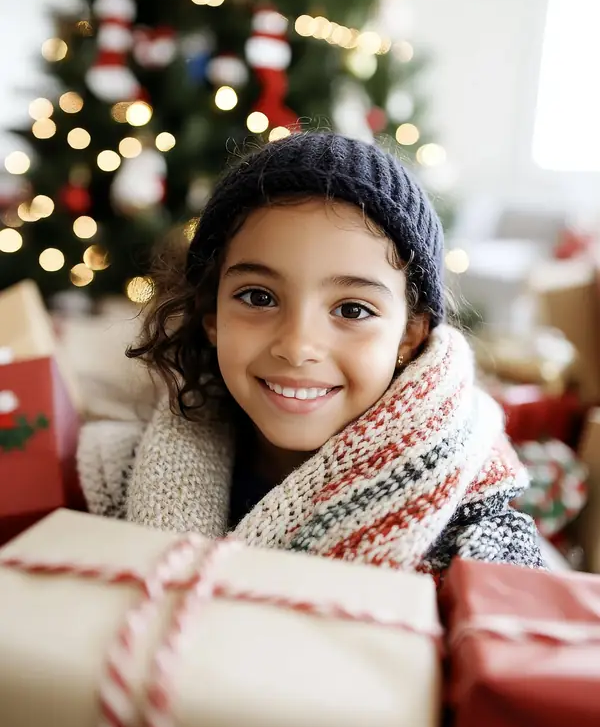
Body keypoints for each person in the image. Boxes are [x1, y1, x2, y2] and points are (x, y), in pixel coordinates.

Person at [77, 132, 545, 580]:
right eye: (259, 297)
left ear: (409, 335)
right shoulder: (124, 470)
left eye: (352, 310)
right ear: (211, 315)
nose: (298, 346)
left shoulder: (475, 527)